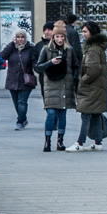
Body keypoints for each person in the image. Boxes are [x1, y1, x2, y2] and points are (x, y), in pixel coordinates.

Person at [34, 21, 76, 152]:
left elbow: (76, 66)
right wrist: (50, 63)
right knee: (51, 113)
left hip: (65, 85)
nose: (59, 39)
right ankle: (47, 141)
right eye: (57, 36)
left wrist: (75, 80)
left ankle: (60, 141)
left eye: (62, 36)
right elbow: (38, 67)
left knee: (62, 114)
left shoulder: (69, 50)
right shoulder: (46, 49)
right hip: (50, 85)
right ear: (53, 37)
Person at [67, 21, 107, 152]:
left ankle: (80, 142)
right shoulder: (97, 47)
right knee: (95, 114)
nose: (83, 34)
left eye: (85, 31)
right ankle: (98, 142)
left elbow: (94, 69)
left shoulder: (92, 49)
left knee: (85, 115)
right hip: (97, 87)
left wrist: (83, 80)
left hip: (91, 88)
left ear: (92, 33)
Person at [0, 29, 36, 130]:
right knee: (16, 102)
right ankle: (23, 119)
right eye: (18, 37)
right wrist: (11, 44)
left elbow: (35, 61)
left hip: (26, 80)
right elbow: (2, 56)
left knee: (22, 102)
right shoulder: (12, 48)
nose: (20, 39)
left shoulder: (30, 49)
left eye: (22, 37)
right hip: (12, 79)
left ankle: (20, 121)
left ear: (25, 38)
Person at [32, 23, 53, 102]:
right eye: (45, 30)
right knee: (46, 100)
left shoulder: (59, 44)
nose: (47, 32)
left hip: (58, 78)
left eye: (50, 30)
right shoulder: (39, 45)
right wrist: (38, 69)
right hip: (43, 77)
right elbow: (34, 60)